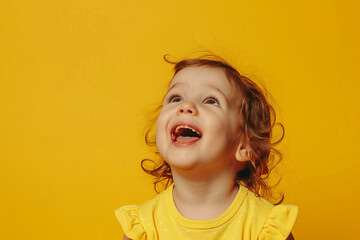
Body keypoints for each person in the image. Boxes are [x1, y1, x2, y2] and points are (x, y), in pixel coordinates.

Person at [115, 54, 298, 240]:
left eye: (211, 100)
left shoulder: (265, 227)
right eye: (176, 98)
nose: (185, 106)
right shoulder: (144, 227)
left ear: (245, 146)